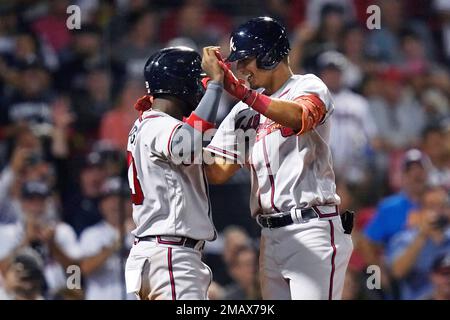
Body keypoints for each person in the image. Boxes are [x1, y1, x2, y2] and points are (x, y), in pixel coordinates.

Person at [204, 17, 353, 300]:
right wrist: (191, 123)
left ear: (269, 54)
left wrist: (242, 93)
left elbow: (300, 116)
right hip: (269, 235)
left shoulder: (308, 85)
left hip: (312, 227)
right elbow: (218, 171)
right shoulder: (243, 111)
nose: (240, 69)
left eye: (246, 59)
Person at [124, 46, 224, 300]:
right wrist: (216, 87)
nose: (200, 86)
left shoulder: (147, 124)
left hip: (155, 253)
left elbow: (202, 152)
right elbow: (188, 146)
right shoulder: (159, 123)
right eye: (196, 79)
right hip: (170, 254)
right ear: (180, 84)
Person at [387, 186, 450, 300]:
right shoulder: (403, 239)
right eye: (432, 207)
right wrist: (422, 236)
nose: (439, 212)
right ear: (421, 211)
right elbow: (397, 272)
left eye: (443, 206)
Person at [79, 177, 134, 300]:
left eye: (121, 199)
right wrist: (114, 246)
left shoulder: (142, 233)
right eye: (109, 199)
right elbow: (84, 269)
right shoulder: (91, 234)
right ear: (101, 205)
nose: (115, 203)